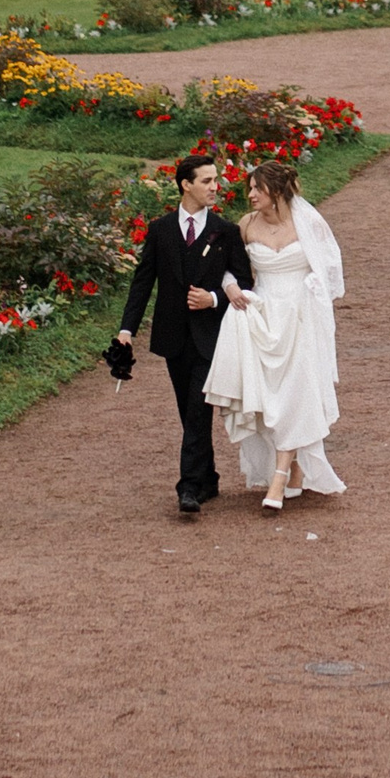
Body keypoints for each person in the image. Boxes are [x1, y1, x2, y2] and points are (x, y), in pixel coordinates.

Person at [203, 161, 346, 509]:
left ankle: (278, 481)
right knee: (270, 397)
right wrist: (232, 286)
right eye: (250, 188)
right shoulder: (247, 225)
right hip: (264, 316)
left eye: (257, 189)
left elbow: (331, 268)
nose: (250, 194)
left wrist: (314, 284)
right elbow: (230, 269)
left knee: (297, 392)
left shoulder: (309, 222)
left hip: (301, 317)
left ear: (277, 191)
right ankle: (294, 471)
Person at [117, 154, 253, 514]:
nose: (214, 187)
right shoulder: (160, 229)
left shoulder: (225, 231)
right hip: (173, 338)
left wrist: (212, 299)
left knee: (197, 409)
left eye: (215, 180)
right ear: (186, 185)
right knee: (188, 411)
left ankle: (189, 486)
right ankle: (207, 478)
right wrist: (126, 329)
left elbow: (246, 283)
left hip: (212, 337)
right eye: (206, 181)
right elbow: (143, 282)